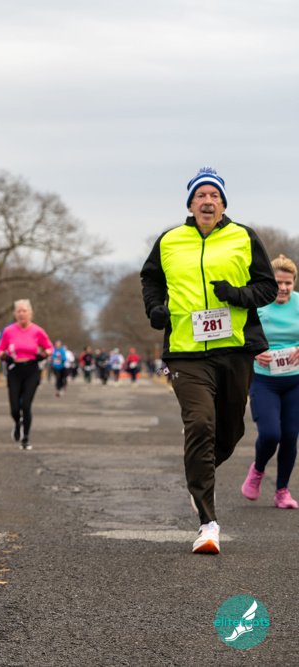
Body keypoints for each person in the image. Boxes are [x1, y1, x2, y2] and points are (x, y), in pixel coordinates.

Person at [141, 166, 276, 555]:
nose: (207, 200)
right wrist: (155, 308)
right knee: (200, 422)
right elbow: (150, 279)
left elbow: (267, 287)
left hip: (234, 349)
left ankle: (199, 470)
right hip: (186, 351)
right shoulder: (170, 240)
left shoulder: (244, 237)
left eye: (214, 195)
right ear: (190, 204)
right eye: (200, 195)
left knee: (230, 429)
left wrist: (236, 295)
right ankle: (207, 523)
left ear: (223, 204)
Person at [241, 255, 299, 509]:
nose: (283, 288)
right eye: (278, 283)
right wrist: (254, 351)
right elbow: (239, 335)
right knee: (270, 433)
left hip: (295, 381)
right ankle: (257, 470)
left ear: (294, 283)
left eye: (288, 283)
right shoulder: (257, 304)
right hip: (264, 380)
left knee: (290, 436)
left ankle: (282, 491)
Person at [0, 299, 53, 450]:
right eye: (18, 311)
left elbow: (49, 348)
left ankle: (26, 438)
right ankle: (17, 422)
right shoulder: (9, 331)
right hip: (14, 370)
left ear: (30, 314)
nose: (21, 314)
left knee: (26, 405)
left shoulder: (37, 331)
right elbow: (0, 349)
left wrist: (43, 355)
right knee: (14, 408)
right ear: (15, 314)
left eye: (24, 311)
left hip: (31, 370)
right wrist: (5, 356)